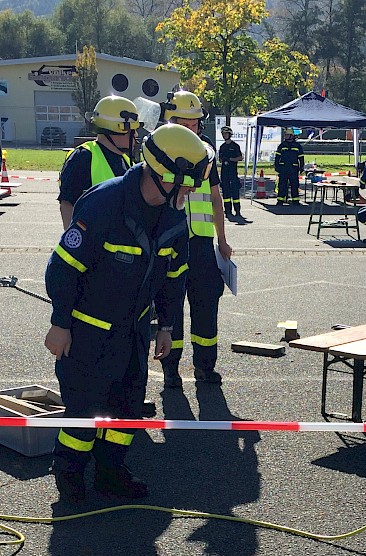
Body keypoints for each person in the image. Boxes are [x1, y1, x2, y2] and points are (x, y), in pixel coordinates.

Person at [44, 123, 209, 503]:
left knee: (127, 409)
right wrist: (60, 323)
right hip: (86, 332)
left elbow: (173, 278)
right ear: (165, 175)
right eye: (186, 184)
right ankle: (69, 473)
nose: (189, 193)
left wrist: (166, 326)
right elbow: (63, 267)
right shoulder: (103, 204)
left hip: (133, 333)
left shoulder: (172, 217)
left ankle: (111, 472)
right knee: (84, 411)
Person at [158, 90, 234, 388]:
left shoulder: (208, 152)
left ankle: (204, 367)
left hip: (201, 245)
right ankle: (170, 371)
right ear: (170, 121)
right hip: (170, 244)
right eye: (185, 123)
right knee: (170, 308)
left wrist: (222, 240)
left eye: (195, 123)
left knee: (206, 307)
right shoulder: (158, 152)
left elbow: (216, 199)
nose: (192, 129)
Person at [57, 95, 140, 227]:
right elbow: (67, 205)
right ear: (117, 128)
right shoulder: (83, 157)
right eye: (132, 129)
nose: (136, 135)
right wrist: (75, 243)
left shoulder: (126, 160)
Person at [218, 124, 244, 220]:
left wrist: (231, 159)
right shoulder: (222, 147)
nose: (224, 135)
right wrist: (223, 159)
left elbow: (240, 157)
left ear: (230, 134)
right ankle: (228, 211)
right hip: (224, 173)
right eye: (223, 134)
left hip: (233, 172)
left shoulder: (235, 146)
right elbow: (220, 158)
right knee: (226, 193)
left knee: (235, 192)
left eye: (226, 134)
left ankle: (237, 211)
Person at [273, 128, 303, 205]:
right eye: (285, 135)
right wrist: (276, 166)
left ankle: (295, 200)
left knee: (294, 185)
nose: (285, 136)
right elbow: (277, 157)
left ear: (291, 136)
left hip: (293, 168)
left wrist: (301, 167)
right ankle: (280, 200)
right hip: (283, 168)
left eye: (287, 135)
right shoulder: (282, 145)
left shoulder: (297, 146)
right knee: (282, 184)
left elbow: (301, 157)